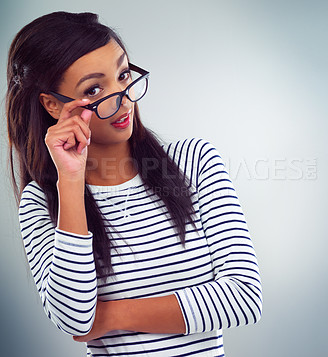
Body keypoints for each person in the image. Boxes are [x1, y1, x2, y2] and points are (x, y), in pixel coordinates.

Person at [7, 11, 262, 356]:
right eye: (95, 88)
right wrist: (70, 180)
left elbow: (243, 298)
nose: (123, 97)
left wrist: (112, 315)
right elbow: (75, 319)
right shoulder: (42, 201)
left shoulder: (194, 162)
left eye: (123, 75)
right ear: (52, 104)